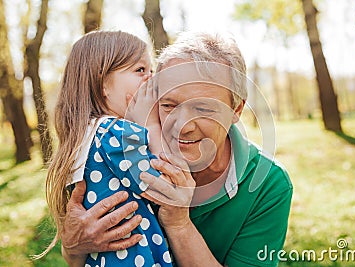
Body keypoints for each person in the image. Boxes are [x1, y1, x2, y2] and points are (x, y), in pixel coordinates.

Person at [61, 32, 293, 267]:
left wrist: (179, 223)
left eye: (203, 108)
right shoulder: (130, 150)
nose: (182, 126)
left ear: (237, 110)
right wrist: (73, 248)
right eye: (168, 105)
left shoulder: (269, 184)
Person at [44, 30, 172, 267]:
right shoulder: (116, 132)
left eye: (151, 71)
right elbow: (163, 186)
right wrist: (151, 122)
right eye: (140, 70)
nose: (151, 79)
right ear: (103, 84)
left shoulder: (90, 133)